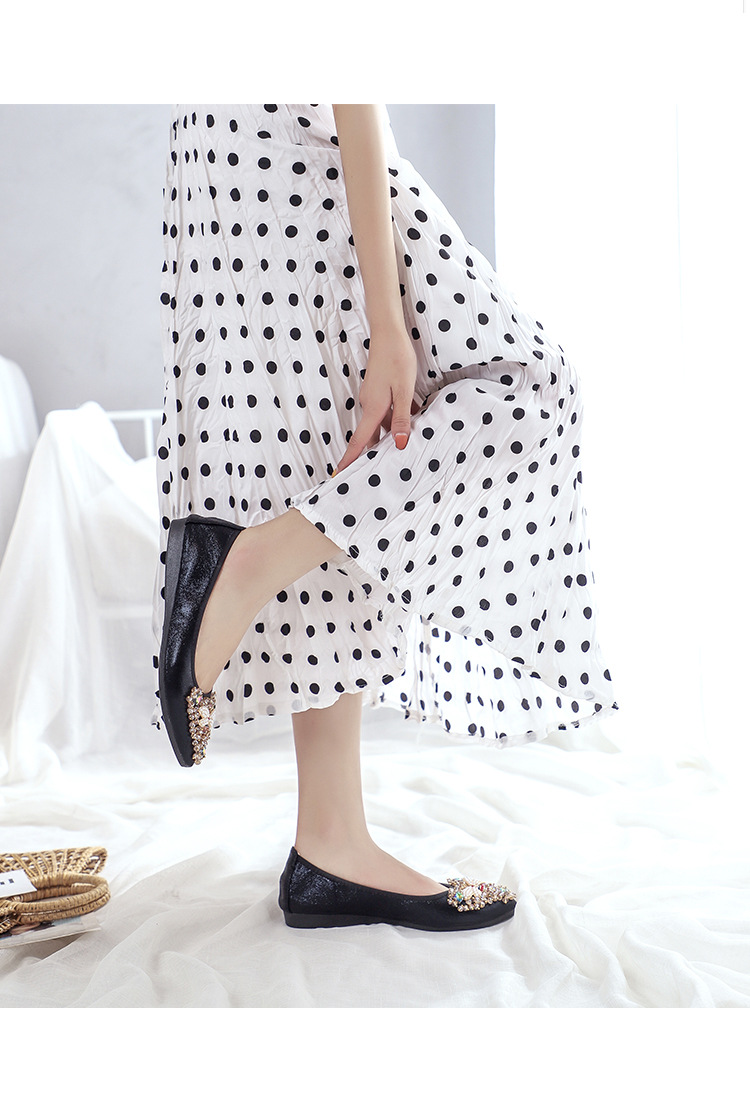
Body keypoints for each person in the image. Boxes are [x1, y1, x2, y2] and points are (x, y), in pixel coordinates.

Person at [153, 103, 617, 931]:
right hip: (300, 149)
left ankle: (331, 841)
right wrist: (387, 323)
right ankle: (252, 563)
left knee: (328, 460)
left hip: (230, 148)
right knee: (528, 390)